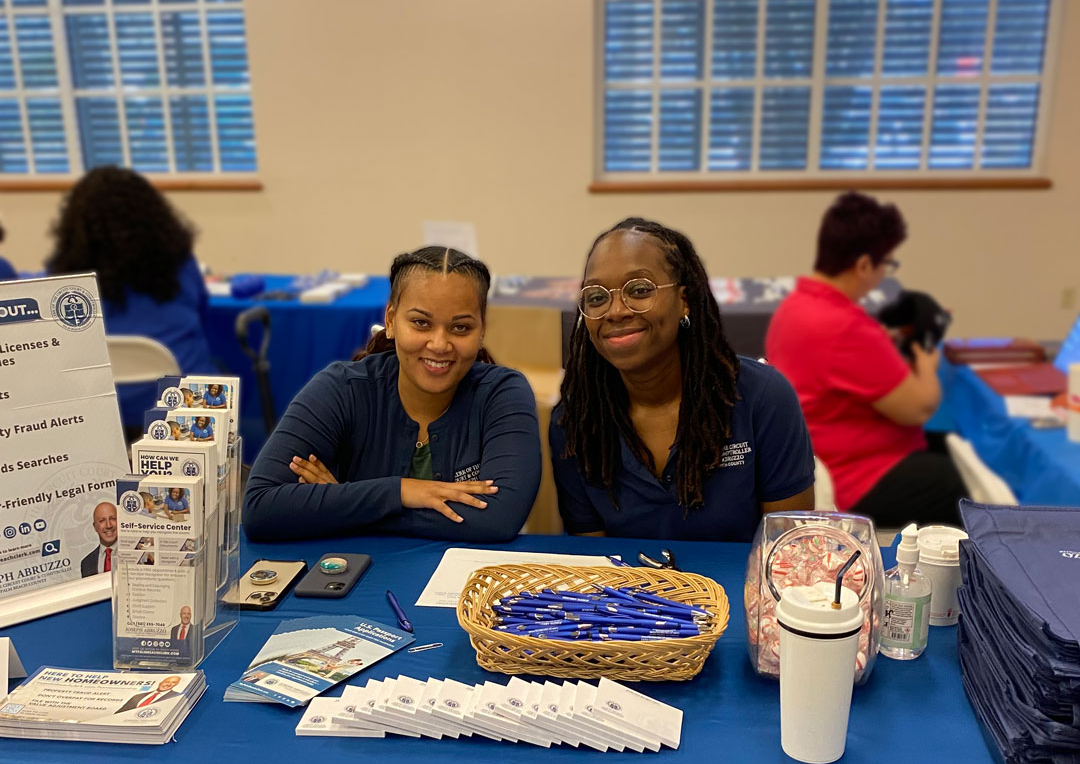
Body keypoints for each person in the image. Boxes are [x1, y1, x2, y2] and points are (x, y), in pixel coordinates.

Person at [244, 247, 542, 542]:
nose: (439, 344)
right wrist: (400, 491)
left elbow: (497, 520)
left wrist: (341, 505)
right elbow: (261, 508)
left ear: (481, 331)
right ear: (390, 320)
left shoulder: (503, 394)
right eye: (421, 323)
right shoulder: (341, 388)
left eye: (460, 327)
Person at [550, 218, 814, 540]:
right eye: (597, 297)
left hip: (742, 588)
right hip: (629, 591)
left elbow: (788, 549)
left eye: (639, 290)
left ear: (684, 301)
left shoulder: (763, 398)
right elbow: (594, 562)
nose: (615, 311)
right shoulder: (576, 422)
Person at [765, 192, 966, 527]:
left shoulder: (795, 307)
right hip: (853, 475)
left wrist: (879, 348)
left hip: (817, 451)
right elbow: (917, 408)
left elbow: (833, 364)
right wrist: (928, 365)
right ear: (862, 265)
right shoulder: (846, 327)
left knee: (944, 448)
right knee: (957, 482)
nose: (884, 273)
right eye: (886, 264)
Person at [46, 166, 213, 435]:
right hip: (185, 411)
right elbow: (203, 319)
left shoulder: (64, 280)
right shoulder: (179, 264)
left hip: (95, 414)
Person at [80, 501, 117, 576]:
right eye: (102, 521)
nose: (108, 525)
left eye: (112, 519)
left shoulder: (133, 554)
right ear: (95, 527)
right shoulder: (86, 563)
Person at [115, 674, 183, 714]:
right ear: (161, 682)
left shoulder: (175, 697)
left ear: (176, 685)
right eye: (167, 681)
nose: (168, 684)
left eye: (173, 682)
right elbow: (120, 712)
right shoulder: (138, 696)